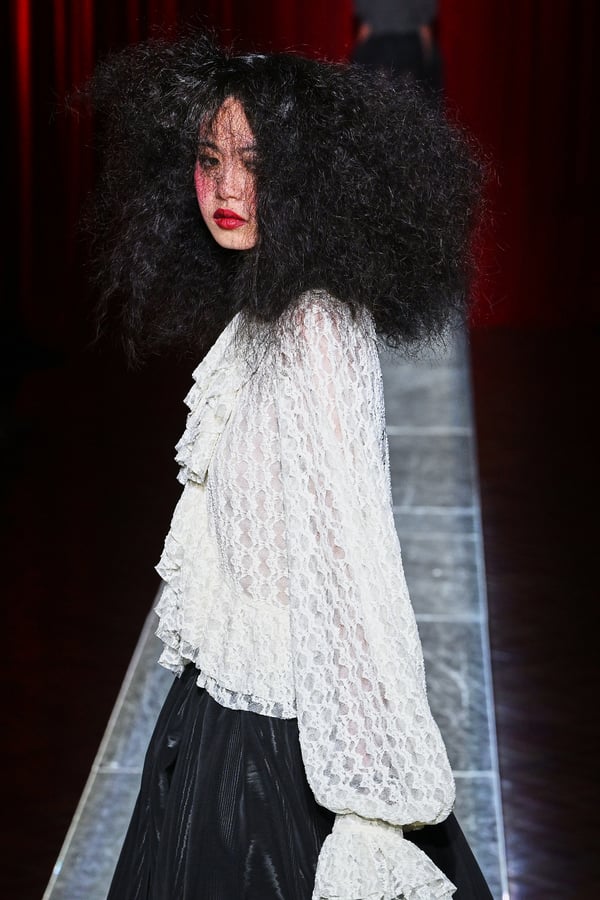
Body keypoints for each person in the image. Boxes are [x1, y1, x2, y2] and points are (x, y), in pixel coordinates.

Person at [80, 32, 492, 899]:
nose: (227, 189)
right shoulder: (266, 311)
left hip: (280, 738)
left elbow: (354, 556)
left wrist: (371, 799)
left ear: (308, 178)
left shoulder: (316, 327)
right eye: (209, 159)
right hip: (226, 706)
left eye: (255, 162)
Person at [352, 0, 443, 93]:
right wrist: (429, 59)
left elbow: (366, 27)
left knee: (380, 92)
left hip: (382, 48)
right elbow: (424, 27)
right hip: (407, 48)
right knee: (409, 92)